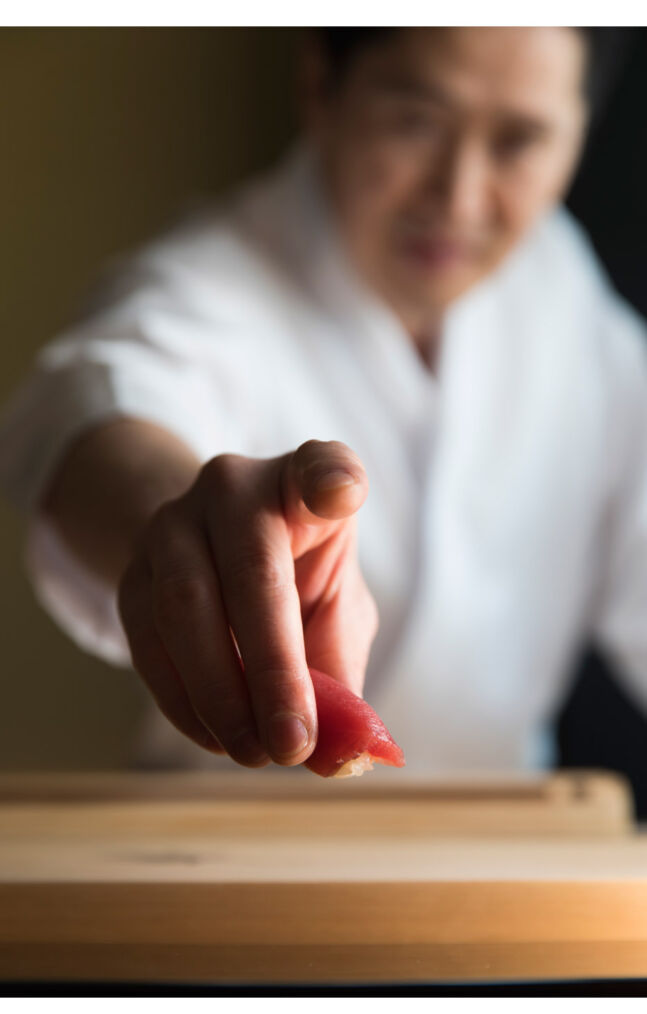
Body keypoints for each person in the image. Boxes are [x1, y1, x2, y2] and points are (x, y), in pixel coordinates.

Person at [1, 27, 646, 776]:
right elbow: (89, 411)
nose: (460, 197)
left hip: (505, 845)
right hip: (231, 853)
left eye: (518, 141)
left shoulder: (565, 295)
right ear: (320, 87)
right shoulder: (207, 282)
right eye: (415, 122)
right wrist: (190, 526)